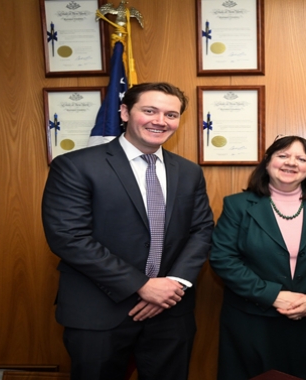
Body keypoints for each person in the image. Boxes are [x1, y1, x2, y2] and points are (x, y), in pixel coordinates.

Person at [41, 82, 214, 380]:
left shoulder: (189, 172)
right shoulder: (75, 166)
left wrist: (173, 284)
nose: (160, 121)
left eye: (171, 114)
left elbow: (202, 231)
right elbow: (68, 237)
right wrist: (141, 285)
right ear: (124, 112)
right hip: (98, 310)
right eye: (149, 111)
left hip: (170, 312)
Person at [210, 135, 306, 380]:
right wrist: (272, 295)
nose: (291, 163)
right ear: (267, 162)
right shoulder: (237, 205)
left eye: (301, 158)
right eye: (282, 155)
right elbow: (223, 258)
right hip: (252, 322)